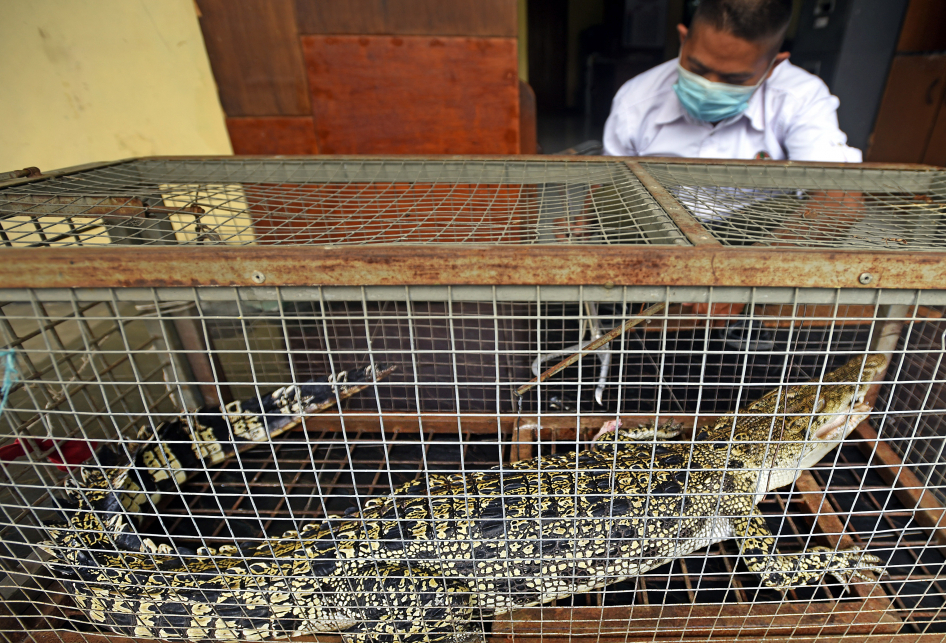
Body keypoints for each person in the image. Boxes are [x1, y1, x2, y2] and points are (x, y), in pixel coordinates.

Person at [603, 0, 861, 162]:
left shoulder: (800, 98)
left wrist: (763, 252)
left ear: (774, 66)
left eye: (734, 79)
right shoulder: (636, 98)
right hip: (657, 224)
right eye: (697, 68)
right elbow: (607, 185)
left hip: (759, 233)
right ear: (683, 40)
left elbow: (837, 194)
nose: (709, 87)